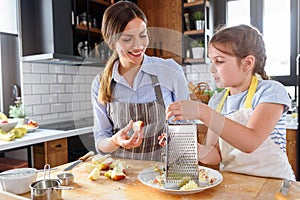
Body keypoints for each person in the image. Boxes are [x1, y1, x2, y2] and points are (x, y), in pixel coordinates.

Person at [165, 24, 295, 180]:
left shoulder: (271, 91)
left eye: (219, 61)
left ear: (247, 63)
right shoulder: (218, 101)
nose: (212, 69)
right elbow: (215, 155)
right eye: (212, 61)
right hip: (235, 185)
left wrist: (202, 111)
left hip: (274, 185)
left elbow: (250, 142)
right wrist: (187, 146)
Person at [91, 1, 190, 161]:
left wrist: (175, 138)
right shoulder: (101, 83)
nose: (138, 45)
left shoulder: (170, 71)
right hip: (122, 176)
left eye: (143, 35)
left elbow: (186, 124)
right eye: (127, 39)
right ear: (111, 41)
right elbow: (101, 141)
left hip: (162, 174)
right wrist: (115, 141)